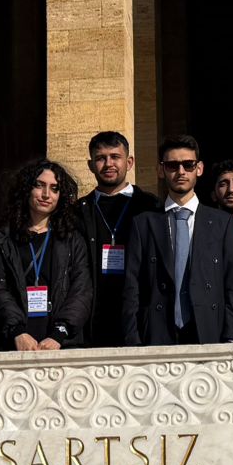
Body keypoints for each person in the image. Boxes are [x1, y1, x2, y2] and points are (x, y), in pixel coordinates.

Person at [123, 135, 233, 346]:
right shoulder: (143, 223)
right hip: (155, 332)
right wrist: (132, 339)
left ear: (199, 168)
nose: (181, 172)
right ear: (160, 170)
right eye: (172, 165)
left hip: (209, 330)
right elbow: (131, 286)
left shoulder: (222, 223)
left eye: (188, 165)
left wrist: (231, 336)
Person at [0, 160, 95, 350]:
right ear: (26, 189)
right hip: (12, 343)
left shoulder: (72, 240)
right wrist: (16, 331)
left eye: (54, 188)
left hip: (60, 344)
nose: (46, 194)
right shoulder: (0, 239)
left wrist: (60, 333)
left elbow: (81, 290)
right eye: (39, 185)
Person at [75, 131, 160, 348]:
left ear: (129, 162)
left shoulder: (151, 207)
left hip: (140, 317)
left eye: (115, 157)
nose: (108, 164)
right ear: (90, 165)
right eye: (101, 158)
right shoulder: (77, 212)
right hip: (92, 319)